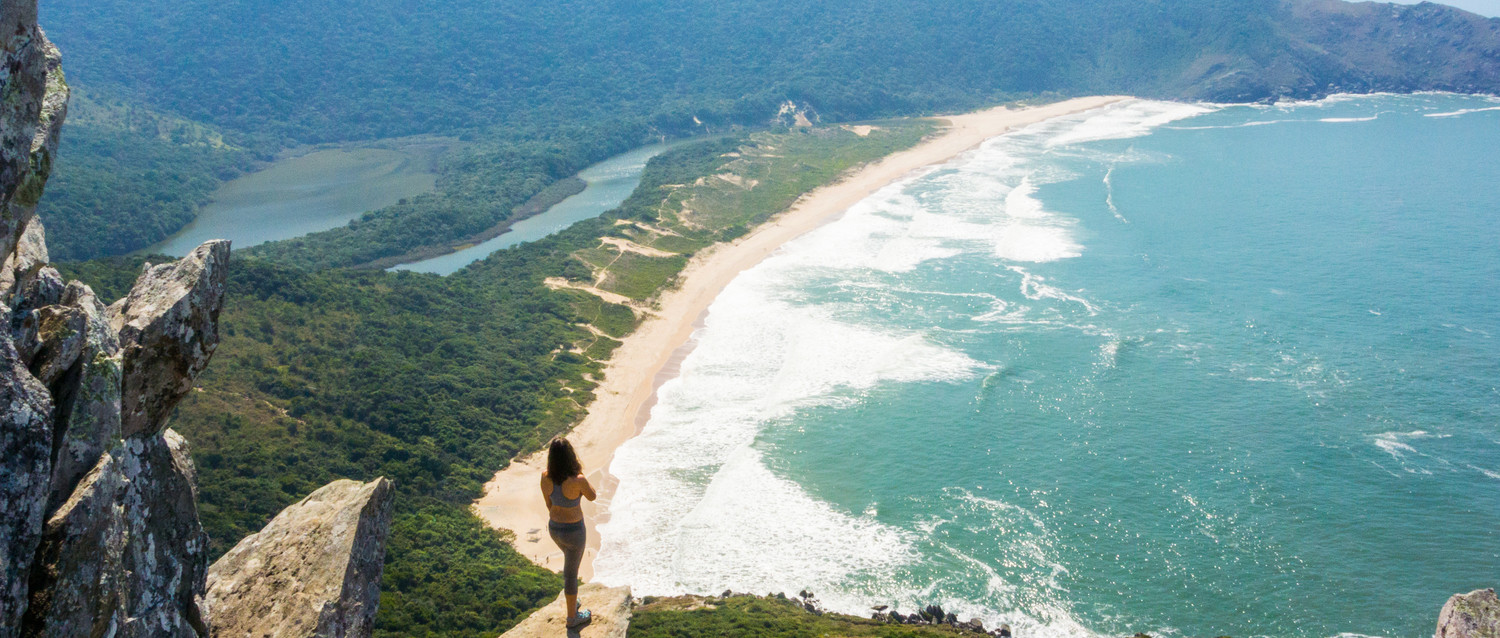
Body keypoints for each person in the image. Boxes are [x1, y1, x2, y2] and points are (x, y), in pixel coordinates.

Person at [540, 437, 597, 628]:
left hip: (555, 528)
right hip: (574, 531)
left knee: (569, 564)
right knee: (571, 574)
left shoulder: (545, 476)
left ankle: (572, 601)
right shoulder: (577, 480)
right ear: (571, 456)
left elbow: (549, 503)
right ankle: (572, 618)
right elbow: (592, 496)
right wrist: (580, 478)